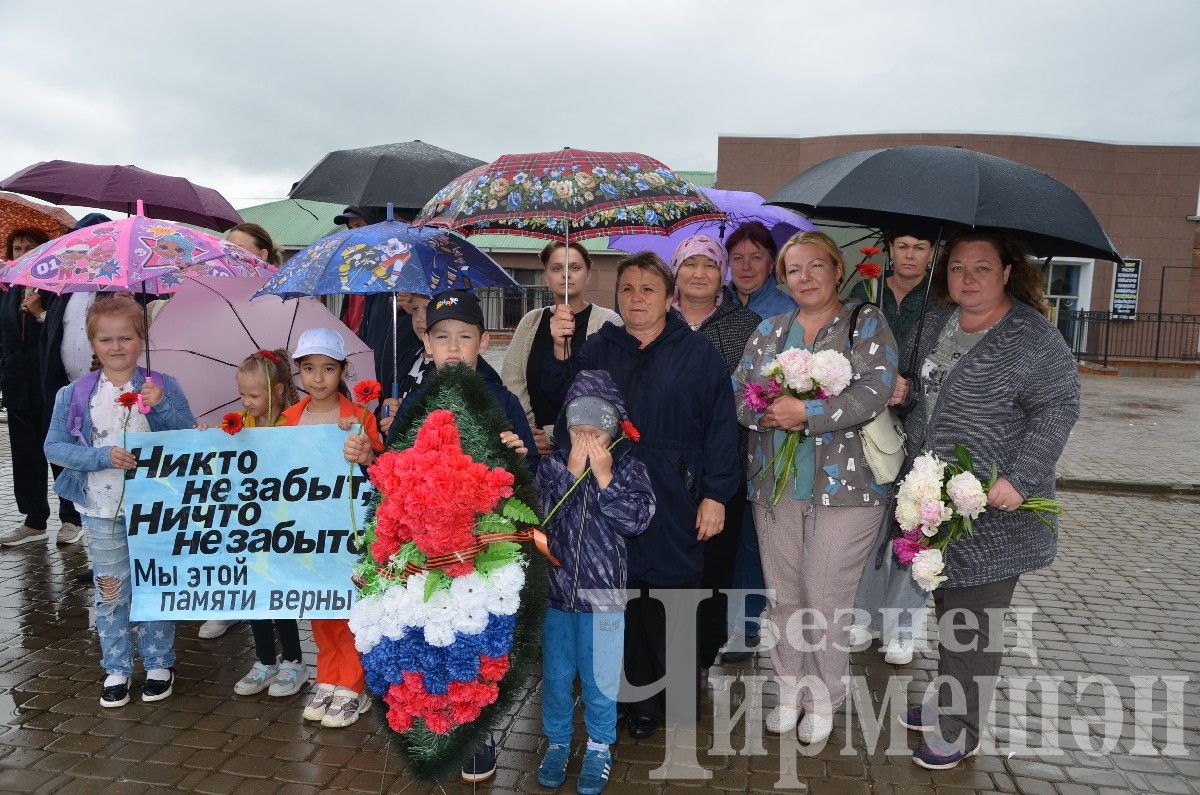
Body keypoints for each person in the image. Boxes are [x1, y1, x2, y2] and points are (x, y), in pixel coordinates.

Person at [891, 228, 1079, 770]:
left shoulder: (1031, 336)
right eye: (956, 268)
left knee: (974, 619)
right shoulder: (940, 322)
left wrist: (1019, 478)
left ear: (1006, 273)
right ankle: (948, 698)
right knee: (950, 604)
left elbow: (1058, 407)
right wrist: (904, 395)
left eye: (980, 268)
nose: (967, 279)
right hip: (935, 501)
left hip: (996, 509)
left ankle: (960, 728)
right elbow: (927, 394)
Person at [542, 252, 739, 740]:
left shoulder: (697, 353)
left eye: (648, 289)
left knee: (668, 593)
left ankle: (668, 698)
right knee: (621, 597)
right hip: (614, 493)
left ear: (668, 296)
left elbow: (721, 428)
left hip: (677, 493)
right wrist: (560, 352)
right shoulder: (598, 348)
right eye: (627, 289)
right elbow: (563, 408)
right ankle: (623, 697)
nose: (636, 298)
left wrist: (715, 494)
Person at [343, 289, 536, 783]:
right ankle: (431, 719)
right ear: (425, 343)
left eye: (465, 337)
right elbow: (392, 474)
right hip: (420, 550)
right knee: (428, 636)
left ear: (483, 342)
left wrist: (518, 454)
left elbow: (528, 475)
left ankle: (476, 732)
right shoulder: (411, 402)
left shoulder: (502, 401)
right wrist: (369, 458)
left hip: (479, 550)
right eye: (442, 337)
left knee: (475, 639)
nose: (453, 347)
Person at [732, 231, 898, 745]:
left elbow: (875, 389)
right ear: (784, 279)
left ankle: (824, 698)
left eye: (815, 267)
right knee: (784, 595)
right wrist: (769, 411)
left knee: (825, 595)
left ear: (836, 270)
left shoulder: (864, 322)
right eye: (794, 270)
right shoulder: (769, 329)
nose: (805, 278)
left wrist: (810, 412)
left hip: (848, 489)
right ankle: (788, 691)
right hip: (776, 486)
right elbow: (740, 394)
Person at [43, 295, 195, 707]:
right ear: (92, 343)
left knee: (155, 585)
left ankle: (160, 661)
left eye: (125, 338)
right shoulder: (73, 394)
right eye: (106, 339)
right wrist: (99, 457)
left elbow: (187, 435)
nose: (116, 347)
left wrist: (160, 406)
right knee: (111, 590)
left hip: (155, 510)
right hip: (101, 508)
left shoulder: (162, 384)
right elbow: (53, 447)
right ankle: (116, 666)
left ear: (141, 338)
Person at [536, 369, 655, 795]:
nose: (586, 441)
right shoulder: (551, 468)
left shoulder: (629, 470)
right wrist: (569, 474)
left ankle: (601, 745)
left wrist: (604, 480)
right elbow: (540, 523)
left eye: (596, 432)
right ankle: (558, 742)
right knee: (556, 675)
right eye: (578, 430)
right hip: (556, 596)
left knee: (600, 677)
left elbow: (637, 520)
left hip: (604, 598)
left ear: (613, 431)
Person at [667, 235, 761, 671]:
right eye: (690, 264)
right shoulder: (656, 320)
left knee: (715, 566)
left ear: (722, 272)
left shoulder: (747, 326)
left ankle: (700, 657)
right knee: (666, 563)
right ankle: (660, 653)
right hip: (662, 470)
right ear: (676, 272)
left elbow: (755, 396)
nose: (699, 273)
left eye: (709, 264)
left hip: (724, 469)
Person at [847, 222, 940, 666]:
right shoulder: (864, 291)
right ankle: (862, 615)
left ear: (931, 252)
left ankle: (903, 627)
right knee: (867, 527)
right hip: (869, 428)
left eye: (919, 247)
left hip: (922, 430)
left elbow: (948, 367)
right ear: (887, 249)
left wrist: (913, 387)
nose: (909, 255)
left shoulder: (943, 303)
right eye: (902, 245)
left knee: (917, 528)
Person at [281, 327, 383, 728]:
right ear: (299, 373)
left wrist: (365, 450)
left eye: (327, 368)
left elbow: (377, 471)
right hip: (308, 531)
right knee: (320, 607)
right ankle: (328, 678)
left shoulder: (359, 417)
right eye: (308, 369)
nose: (318, 378)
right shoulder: (287, 419)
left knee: (350, 608)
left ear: (343, 370)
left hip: (350, 532)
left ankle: (353, 686)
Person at [224, 348, 309, 699]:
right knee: (254, 592)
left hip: (282, 523)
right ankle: (264, 660)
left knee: (280, 591)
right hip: (250, 524)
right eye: (242, 394)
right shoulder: (237, 424)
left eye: (254, 395)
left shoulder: (291, 422)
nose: (247, 401)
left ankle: (293, 659)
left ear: (276, 391)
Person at [0, 228, 85, 547]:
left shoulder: (58, 289)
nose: (23, 253)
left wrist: (38, 314)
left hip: (50, 384)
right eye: (17, 248)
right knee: (25, 455)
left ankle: (71, 517)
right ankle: (34, 520)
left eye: (31, 247)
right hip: (18, 386)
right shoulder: (8, 291)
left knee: (59, 452)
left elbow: (63, 334)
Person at [38, 214, 114, 566]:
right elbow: (52, 336)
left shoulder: (119, 288)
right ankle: (71, 517)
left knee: (104, 463)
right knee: (68, 454)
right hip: (67, 389)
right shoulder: (63, 288)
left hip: (109, 392)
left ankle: (106, 545)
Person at [501, 241, 620, 454]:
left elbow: (607, 393)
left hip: (588, 450)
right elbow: (513, 382)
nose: (566, 275)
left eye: (575, 267)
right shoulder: (531, 321)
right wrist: (530, 432)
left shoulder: (607, 322)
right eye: (557, 268)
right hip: (531, 448)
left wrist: (555, 435)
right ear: (546, 277)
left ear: (588, 274)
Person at [727, 221, 797, 319]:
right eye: (738, 258)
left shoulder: (789, 313)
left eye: (755, 257)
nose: (746, 267)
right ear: (728, 262)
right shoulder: (712, 305)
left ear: (772, 263)